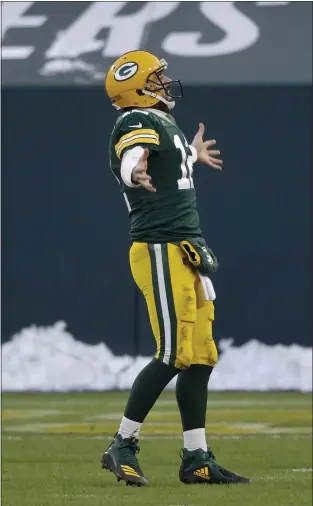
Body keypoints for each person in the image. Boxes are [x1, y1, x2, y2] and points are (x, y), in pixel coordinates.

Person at [102, 50, 250, 487]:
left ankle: (196, 457)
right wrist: (135, 173)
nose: (166, 83)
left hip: (187, 249)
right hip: (159, 247)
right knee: (173, 352)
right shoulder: (134, 120)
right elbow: (131, 155)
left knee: (201, 356)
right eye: (157, 77)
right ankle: (122, 443)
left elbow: (164, 155)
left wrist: (190, 152)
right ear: (136, 86)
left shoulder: (162, 123)